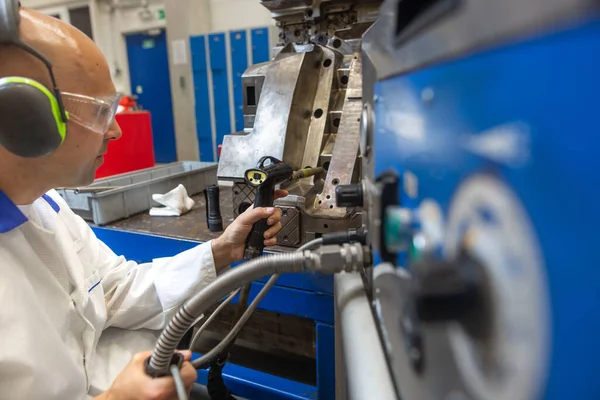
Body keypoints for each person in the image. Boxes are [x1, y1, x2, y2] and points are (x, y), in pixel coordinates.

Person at [0, 6, 285, 400]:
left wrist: (222, 251)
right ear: (21, 117)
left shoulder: (42, 203)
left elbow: (113, 289)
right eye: (101, 111)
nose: (115, 130)